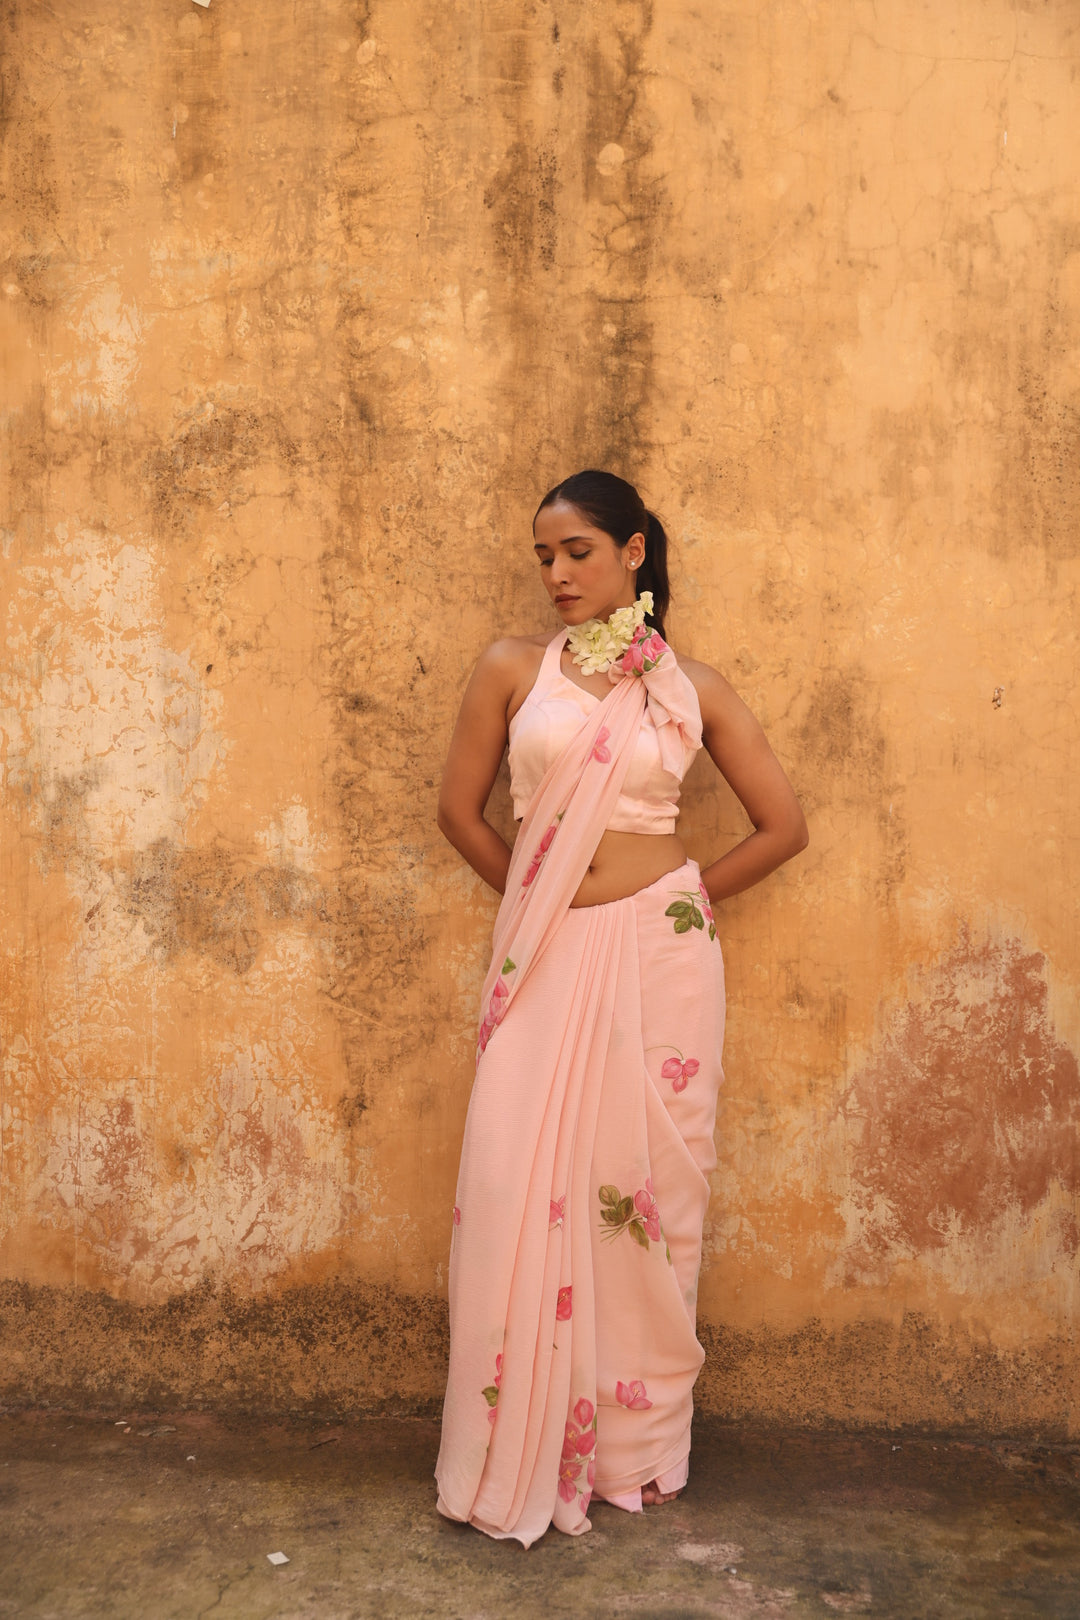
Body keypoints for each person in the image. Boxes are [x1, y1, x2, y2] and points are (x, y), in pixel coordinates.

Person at [434, 470, 808, 1545]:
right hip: (544, 950)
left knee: (642, 1193)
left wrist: (682, 901)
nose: (556, 573)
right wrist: (537, 897)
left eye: (578, 553)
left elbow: (782, 824)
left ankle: (633, 1452)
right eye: (544, 556)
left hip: (660, 956)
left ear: (635, 551)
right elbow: (458, 812)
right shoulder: (515, 671)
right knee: (519, 1177)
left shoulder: (691, 687)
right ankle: (519, 1441)